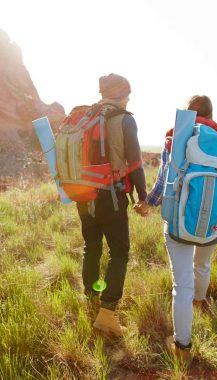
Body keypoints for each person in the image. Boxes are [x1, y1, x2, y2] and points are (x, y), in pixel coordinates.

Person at [147, 95, 217, 361]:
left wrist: (148, 204)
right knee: (203, 265)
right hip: (213, 225)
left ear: (189, 113)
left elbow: (163, 179)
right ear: (211, 115)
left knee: (182, 284)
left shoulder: (176, 138)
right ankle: (199, 304)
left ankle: (182, 347)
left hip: (178, 223)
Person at [77, 73, 149, 337]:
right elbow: (135, 163)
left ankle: (91, 298)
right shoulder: (124, 120)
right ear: (121, 94)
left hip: (84, 195)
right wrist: (143, 197)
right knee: (119, 253)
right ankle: (107, 314)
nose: (129, 99)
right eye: (128, 94)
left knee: (92, 247)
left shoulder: (86, 117)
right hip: (112, 196)